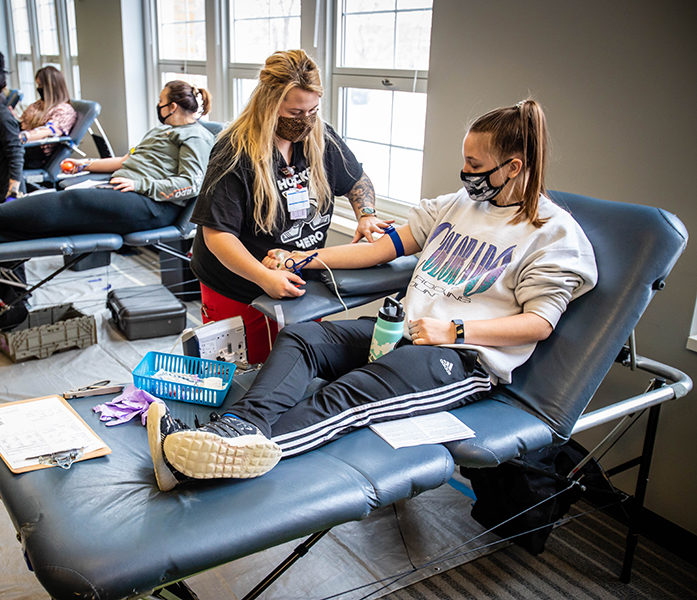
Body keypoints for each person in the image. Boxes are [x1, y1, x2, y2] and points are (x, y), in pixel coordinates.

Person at [147, 99, 599, 492]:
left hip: (462, 359)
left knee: (348, 395)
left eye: (477, 167)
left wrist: (454, 330)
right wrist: (303, 257)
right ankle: (235, 428)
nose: (466, 175)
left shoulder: (553, 235)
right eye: (465, 162)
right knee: (304, 339)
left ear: (514, 167)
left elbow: (540, 323)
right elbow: (384, 248)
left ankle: (230, 457)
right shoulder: (457, 206)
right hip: (400, 331)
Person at [188, 50, 387, 364]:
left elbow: (357, 180)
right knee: (246, 372)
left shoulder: (321, 138)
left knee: (295, 363)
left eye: (313, 111)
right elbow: (217, 236)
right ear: (269, 104)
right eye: (295, 113)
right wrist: (263, 278)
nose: (306, 121)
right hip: (237, 283)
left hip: (296, 277)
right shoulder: (234, 152)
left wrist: (367, 215)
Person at [0, 80, 214, 250]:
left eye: (161, 101)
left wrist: (140, 184)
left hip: (155, 207)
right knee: (63, 202)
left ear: (174, 106)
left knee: (73, 201)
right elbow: (129, 160)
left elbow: (191, 184)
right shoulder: (159, 131)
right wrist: (86, 165)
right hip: (128, 191)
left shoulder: (197, 136)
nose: (158, 105)